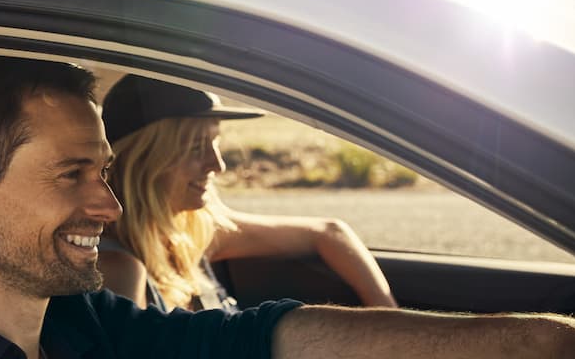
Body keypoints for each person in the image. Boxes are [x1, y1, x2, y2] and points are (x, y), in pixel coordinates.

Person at [0, 55, 575, 358]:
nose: (104, 204)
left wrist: (534, 341)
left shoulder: (89, 323)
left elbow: (270, 336)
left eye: (104, 172)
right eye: (72, 174)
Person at [97, 75, 396, 312]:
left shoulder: (194, 232)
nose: (218, 165)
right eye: (195, 148)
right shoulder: (119, 271)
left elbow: (331, 233)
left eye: (215, 144)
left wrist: (390, 323)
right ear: (144, 160)